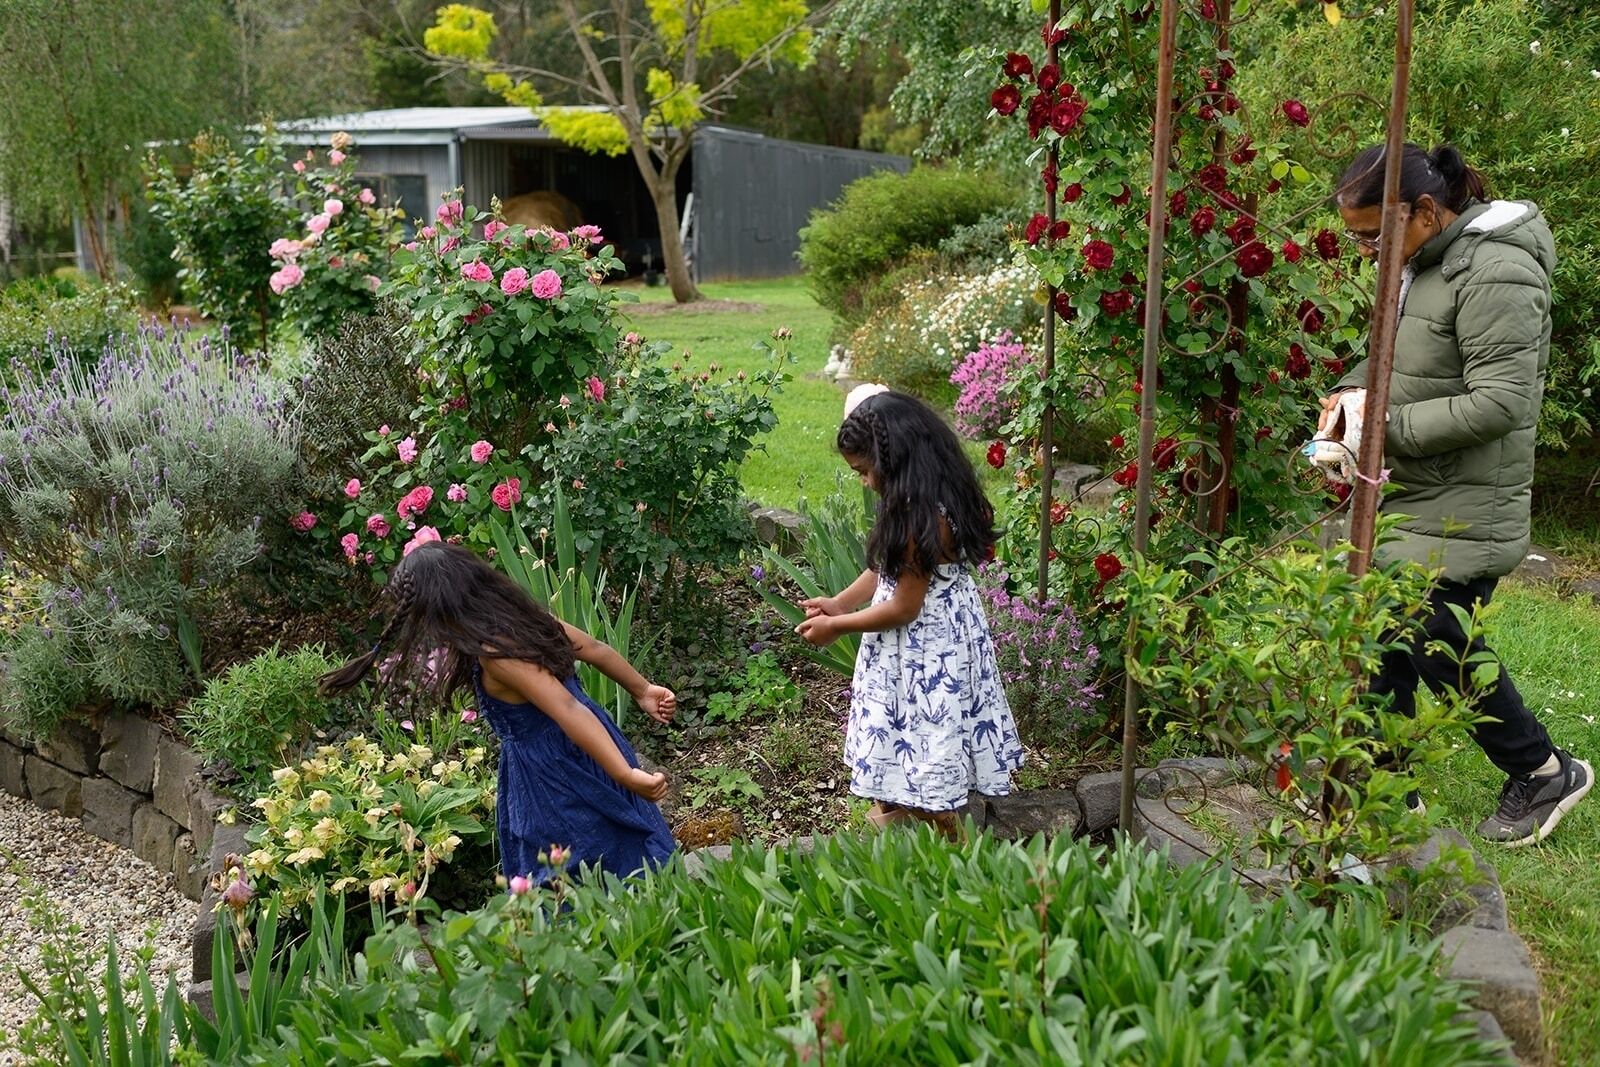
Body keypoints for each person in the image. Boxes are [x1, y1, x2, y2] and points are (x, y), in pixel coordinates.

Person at [1325, 142, 1590, 845]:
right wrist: (1348, 399)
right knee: (1380, 632)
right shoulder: (1424, 263)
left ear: (1424, 210)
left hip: (1467, 498)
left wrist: (1381, 431)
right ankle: (1385, 788)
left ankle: (1543, 770)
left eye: (1371, 236)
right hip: (1415, 489)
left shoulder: (1498, 269)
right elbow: (1399, 358)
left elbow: (1501, 401)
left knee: (1435, 637)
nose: (1365, 253)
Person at [319, 541, 678, 883]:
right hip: (594, 748)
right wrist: (642, 689)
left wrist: (626, 774)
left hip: (553, 775)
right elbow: (594, 647)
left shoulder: (498, 653)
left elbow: (567, 707)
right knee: (620, 840)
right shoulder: (522, 621)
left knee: (577, 863)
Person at [797, 388, 1023, 837]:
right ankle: (902, 822)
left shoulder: (924, 516)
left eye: (864, 471)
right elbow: (887, 568)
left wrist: (836, 626)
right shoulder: (924, 493)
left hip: (926, 652)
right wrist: (841, 602)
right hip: (931, 640)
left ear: (895, 459)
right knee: (906, 740)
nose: (864, 482)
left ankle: (946, 836)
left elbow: (903, 606)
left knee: (925, 742)